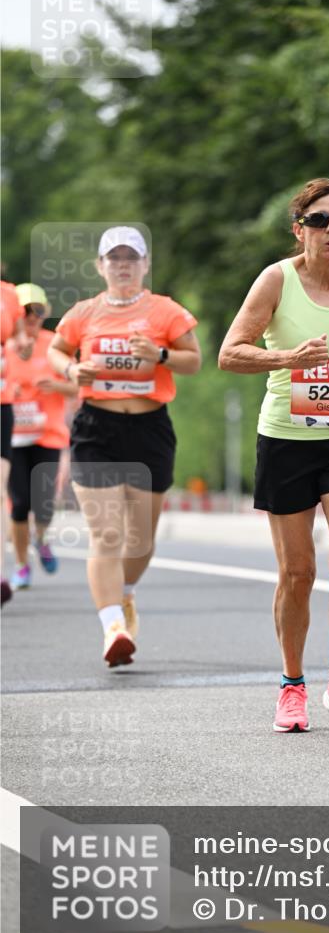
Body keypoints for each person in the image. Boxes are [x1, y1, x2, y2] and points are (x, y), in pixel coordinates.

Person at [218, 178, 329, 734]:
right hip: (287, 439)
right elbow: (230, 353)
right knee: (298, 572)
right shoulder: (276, 279)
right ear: (300, 230)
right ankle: (291, 686)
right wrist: (286, 360)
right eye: (320, 221)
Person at [48, 227, 201, 665]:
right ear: (101, 266)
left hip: (150, 429)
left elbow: (194, 361)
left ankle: (126, 593)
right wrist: (73, 369)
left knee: (140, 540)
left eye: (130, 257)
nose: (122, 265)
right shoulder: (84, 313)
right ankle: (113, 626)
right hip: (97, 429)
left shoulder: (165, 311)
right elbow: (58, 351)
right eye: (113, 258)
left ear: (144, 264)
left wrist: (161, 356)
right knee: (107, 533)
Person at [6, 284, 78, 589]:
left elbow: (79, 386)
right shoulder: (5, 348)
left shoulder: (53, 346)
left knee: (45, 504)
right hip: (12, 437)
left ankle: (42, 537)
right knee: (20, 503)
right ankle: (22, 565)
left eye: (38, 311)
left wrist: (56, 386)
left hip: (47, 436)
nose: (32, 317)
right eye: (25, 311)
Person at [1, 278, 31, 605]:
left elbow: (19, 335)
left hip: (2, 402)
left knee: (1, 491)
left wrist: (20, 343)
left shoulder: (9, 295)